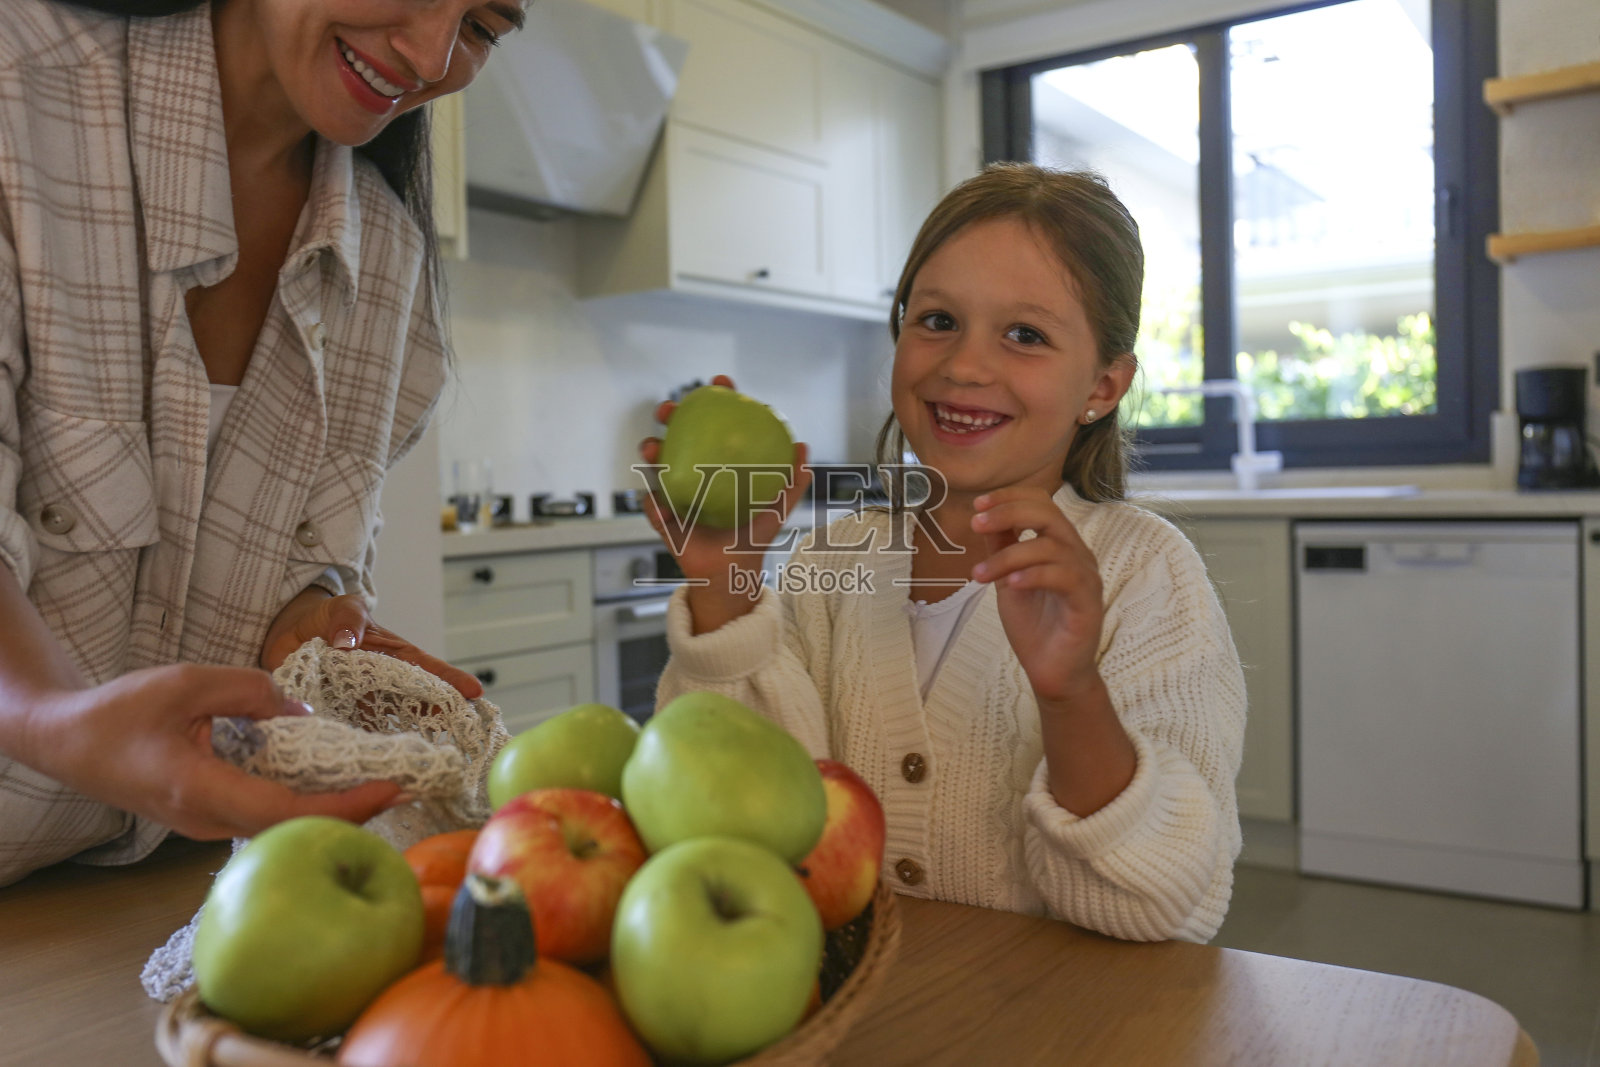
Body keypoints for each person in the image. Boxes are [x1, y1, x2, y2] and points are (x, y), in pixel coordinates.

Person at [640, 163, 1247, 942]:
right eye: (936, 320)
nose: (963, 365)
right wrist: (727, 589)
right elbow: (740, 824)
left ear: (1102, 384)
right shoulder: (833, 559)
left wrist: (1072, 692)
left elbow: (1158, 903)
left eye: (1025, 334)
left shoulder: (1145, 573)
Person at [0, 0, 525, 886]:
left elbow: (285, 586)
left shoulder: (387, 261)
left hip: (142, 888)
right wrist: (52, 717)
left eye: (482, 27)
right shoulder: (21, 88)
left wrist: (308, 629)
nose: (432, 55)